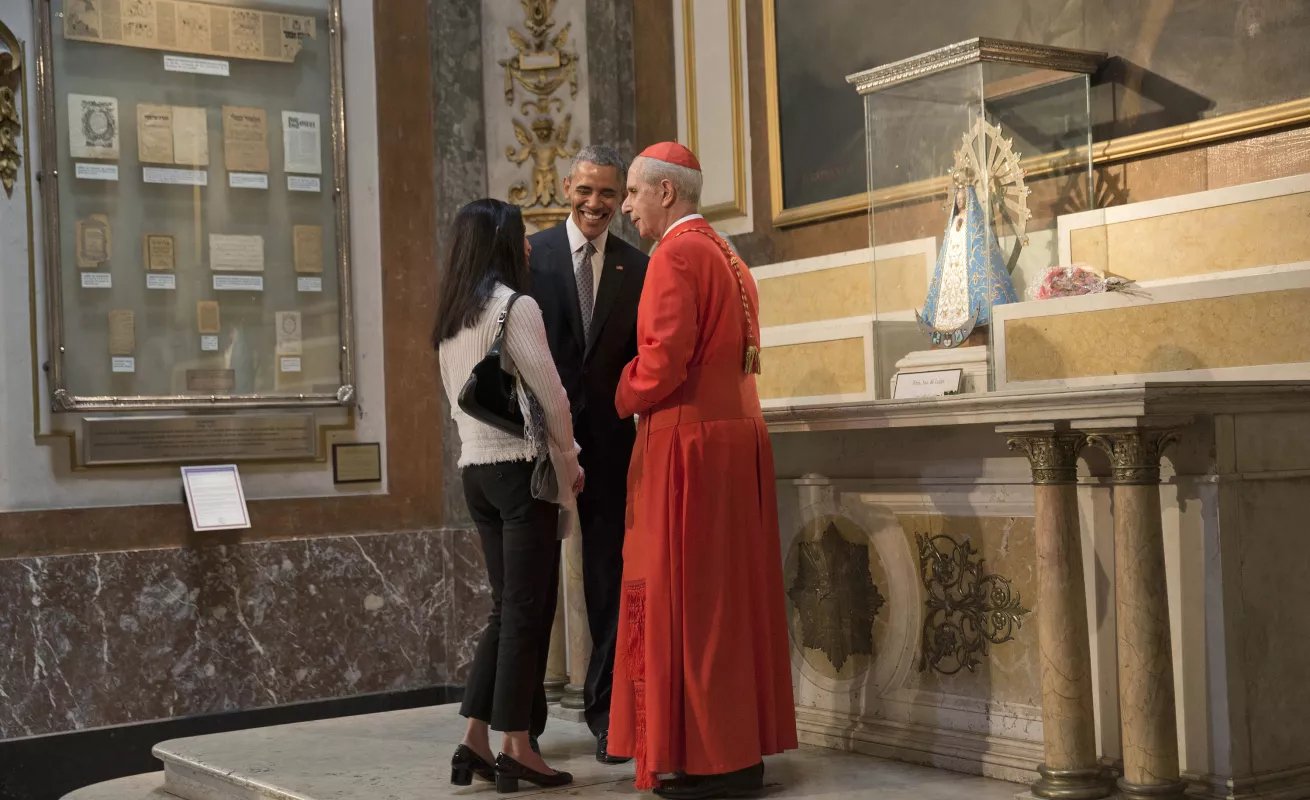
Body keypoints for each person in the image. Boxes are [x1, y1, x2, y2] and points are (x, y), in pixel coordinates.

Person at [607, 143, 798, 799]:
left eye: (632, 192)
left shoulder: (674, 255)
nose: (626, 205)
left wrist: (619, 392)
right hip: (735, 440)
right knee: (730, 601)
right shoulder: (728, 253)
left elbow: (661, 364)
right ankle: (738, 753)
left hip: (688, 446)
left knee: (689, 605)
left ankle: (713, 761)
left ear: (666, 193)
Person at [434, 198, 583, 793]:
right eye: (520, 237)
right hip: (523, 472)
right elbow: (554, 398)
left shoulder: (452, 315)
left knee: (506, 608)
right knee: (526, 612)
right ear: (499, 244)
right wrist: (571, 463)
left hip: (476, 472)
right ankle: (517, 747)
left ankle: (473, 741)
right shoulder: (514, 308)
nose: (528, 248)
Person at [528, 145, 650, 763]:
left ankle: (608, 717)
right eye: (586, 191)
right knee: (530, 585)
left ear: (622, 195)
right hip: (537, 448)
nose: (597, 204)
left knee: (608, 585)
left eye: (609, 193)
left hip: (610, 449)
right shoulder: (532, 255)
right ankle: (521, 728)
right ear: (566, 187)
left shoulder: (641, 265)